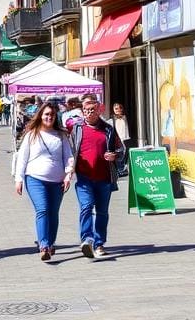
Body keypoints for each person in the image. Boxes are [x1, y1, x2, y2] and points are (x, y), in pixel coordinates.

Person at [14, 100, 75, 260]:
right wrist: (19, 179)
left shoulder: (61, 135)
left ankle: (51, 242)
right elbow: (22, 158)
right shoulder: (31, 134)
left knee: (53, 212)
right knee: (42, 209)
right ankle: (44, 245)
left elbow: (68, 156)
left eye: (52, 115)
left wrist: (68, 174)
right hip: (35, 178)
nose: (49, 117)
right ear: (40, 115)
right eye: (46, 114)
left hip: (57, 180)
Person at [72, 94, 125, 259]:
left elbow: (121, 149)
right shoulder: (77, 128)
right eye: (86, 110)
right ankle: (86, 239)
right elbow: (68, 148)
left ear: (99, 110)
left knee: (102, 212)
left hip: (104, 177)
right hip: (84, 177)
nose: (89, 113)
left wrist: (115, 155)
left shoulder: (108, 128)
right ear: (82, 111)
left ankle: (99, 243)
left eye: (92, 110)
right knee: (86, 207)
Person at [109, 103, 132, 176]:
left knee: (124, 152)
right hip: (117, 138)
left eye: (120, 108)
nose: (118, 110)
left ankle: (122, 168)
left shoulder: (124, 117)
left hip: (124, 138)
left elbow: (126, 128)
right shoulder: (112, 119)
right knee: (119, 153)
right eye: (116, 109)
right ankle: (119, 169)